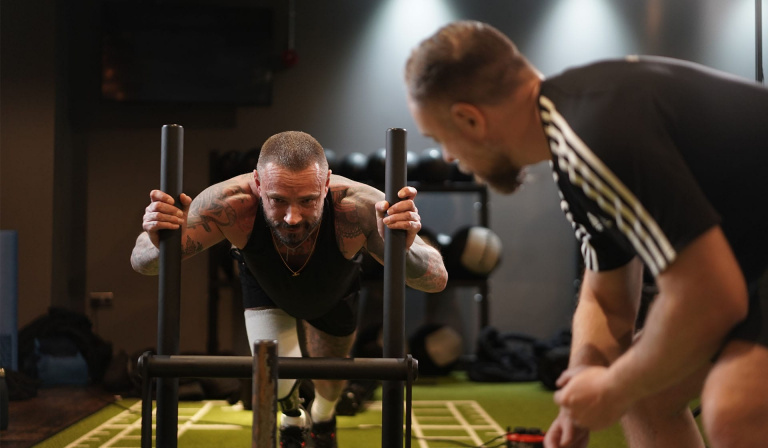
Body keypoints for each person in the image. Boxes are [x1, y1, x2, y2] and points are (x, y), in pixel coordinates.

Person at [404, 20, 768, 448]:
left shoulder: (593, 134)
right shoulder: (574, 135)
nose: (448, 156)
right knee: (646, 389)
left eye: (440, 138)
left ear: (469, 119)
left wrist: (613, 388)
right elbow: (607, 296)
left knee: (736, 410)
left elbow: (711, 298)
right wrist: (583, 389)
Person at [130, 131, 448, 448]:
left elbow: (436, 280)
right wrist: (158, 241)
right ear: (257, 184)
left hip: (334, 289)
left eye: (308, 201)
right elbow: (143, 262)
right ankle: (293, 418)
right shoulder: (229, 203)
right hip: (266, 285)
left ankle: (323, 419)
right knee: (275, 382)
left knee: (330, 388)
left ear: (326, 186)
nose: (291, 217)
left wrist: (404, 250)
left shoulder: (360, 207)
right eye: (277, 200)